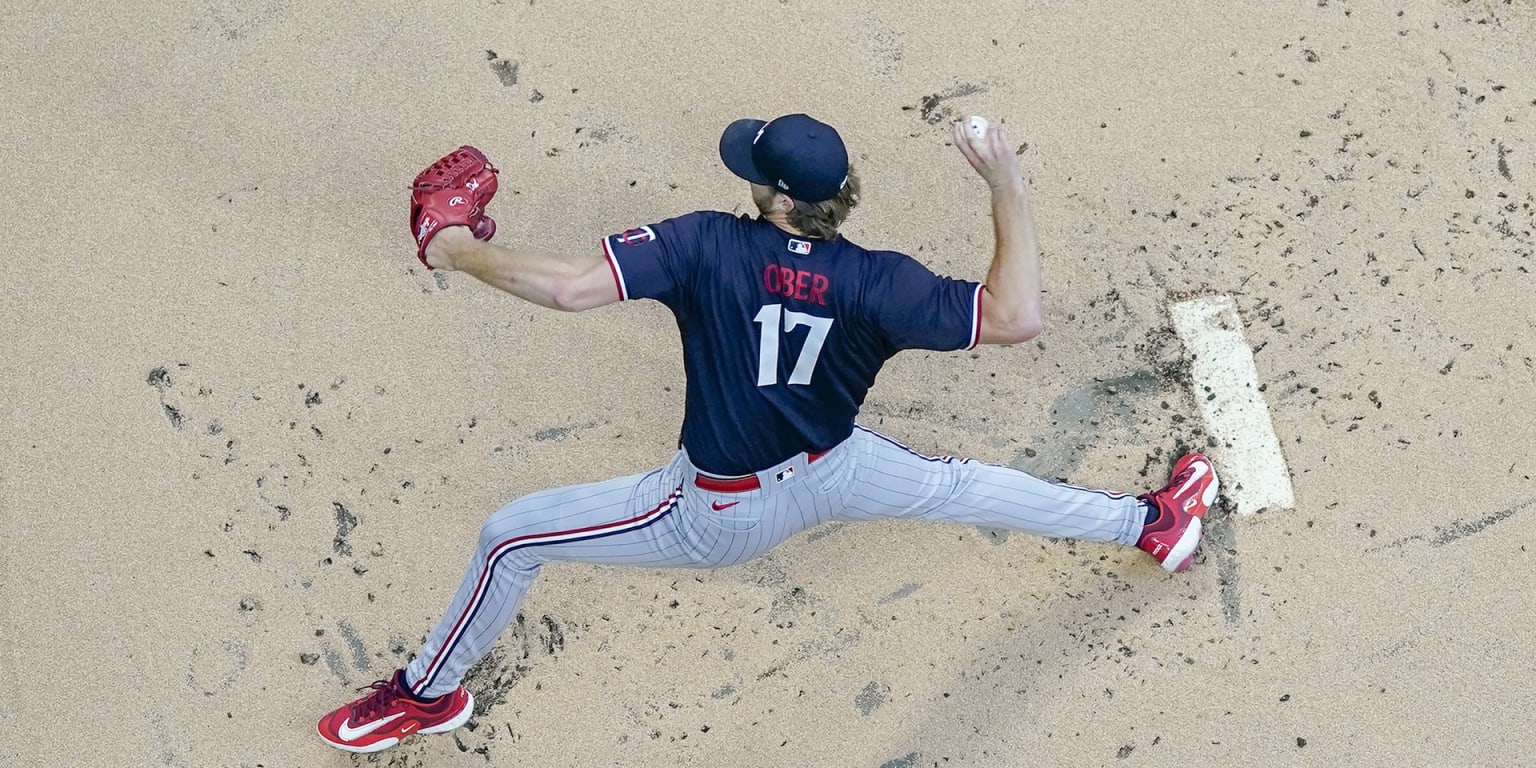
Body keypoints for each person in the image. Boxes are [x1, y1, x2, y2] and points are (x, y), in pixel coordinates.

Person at [316, 113, 1219, 753]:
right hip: (838, 466)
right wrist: (1006, 184)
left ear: (775, 197)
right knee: (958, 484)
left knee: (510, 535)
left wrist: (455, 248)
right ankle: (1150, 524)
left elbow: (564, 287)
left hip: (716, 516)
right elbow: (1017, 315)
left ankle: (425, 697)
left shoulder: (706, 241)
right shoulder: (876, 279)